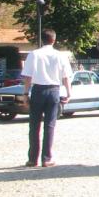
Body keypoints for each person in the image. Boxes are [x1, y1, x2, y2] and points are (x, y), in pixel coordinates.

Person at [20, 29, 73, 167]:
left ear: (41, 39)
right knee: (50, 125)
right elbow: (66, 77)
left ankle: (32, 159)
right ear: (54, 40)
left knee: (34, 125)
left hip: (38, 90)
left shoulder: (34, 54)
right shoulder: (60, 56)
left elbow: (28, 76)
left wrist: (25, 93)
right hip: (54, 90)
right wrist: (69, 92)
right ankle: (47, 158)